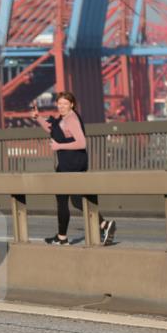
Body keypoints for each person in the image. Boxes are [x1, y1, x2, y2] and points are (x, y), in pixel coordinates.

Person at [32, 92, 116, 246]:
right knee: (69, 200)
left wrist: (59, 146)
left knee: (70, 200)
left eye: (65, 103)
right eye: (59, 103)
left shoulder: (71, 119)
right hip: (68, 164)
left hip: (72, 164)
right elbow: (52, 128)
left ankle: (102, 225)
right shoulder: (63, 119)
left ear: (72, 104)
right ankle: (63, 236)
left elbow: (82, 143)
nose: (61, 106)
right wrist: (38, 118)